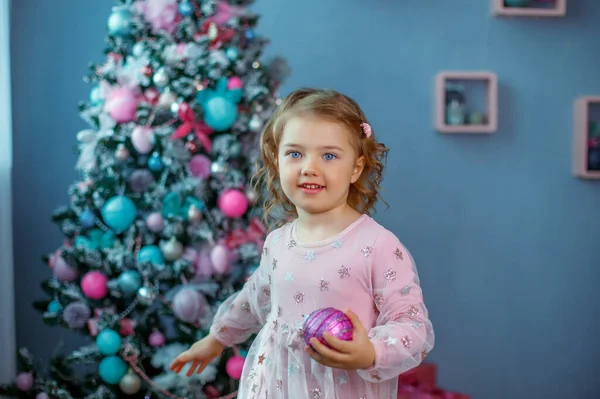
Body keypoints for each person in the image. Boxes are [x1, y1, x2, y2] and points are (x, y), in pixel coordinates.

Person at [170, 88, 435, 398]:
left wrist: (372, 351)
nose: (310, 167)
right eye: (295, 153)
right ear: (277, 160)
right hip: (273, 386)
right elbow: (255, 297)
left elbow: (412, 325)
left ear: (356, 168)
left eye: (329, 155)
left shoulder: (378, 246)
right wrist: (215, 340)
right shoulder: (279, 242)